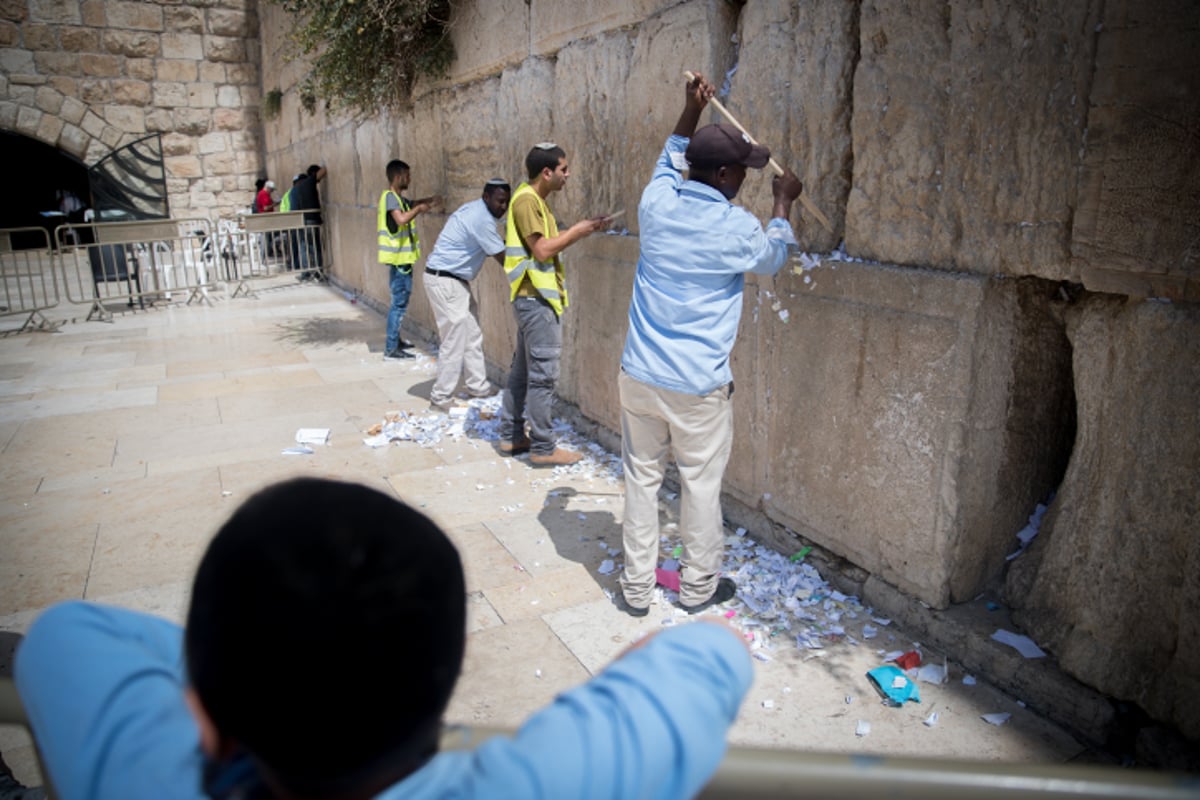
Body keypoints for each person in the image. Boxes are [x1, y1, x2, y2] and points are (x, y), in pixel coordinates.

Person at [14, 477, 753, 799]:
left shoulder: (137, 774)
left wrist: (243, 674)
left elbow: (67, 635)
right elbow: (713, 652)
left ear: (206, 719)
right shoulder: (542, 784)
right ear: (451, 666)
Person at [617, 72, 804, 617]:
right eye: (742, 172)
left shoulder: (655, 203)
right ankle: (697, 589)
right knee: (698, 489)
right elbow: (773, 259)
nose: (745, 180)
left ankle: (634, 590)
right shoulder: (737, 229)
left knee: (640, 481)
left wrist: (689, 108)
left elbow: (670, 153)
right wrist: (782, 204)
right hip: (697, 386)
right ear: (723, 174)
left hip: (640, 375)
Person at [497, 143, 611, 465]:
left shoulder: (533, 201)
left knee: (521, 373)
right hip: (536, 302)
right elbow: (543, 250)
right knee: (542, 377)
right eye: (563, 169)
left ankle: (511, 435)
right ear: (546, 173)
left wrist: (584, 228)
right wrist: (578, 231)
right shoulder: (527, 201)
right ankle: (543, 447)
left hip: (531, 299)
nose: (568, 174)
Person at [423, 179, 511, 411]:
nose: (504, 207)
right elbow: (504, 259)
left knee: (472, 334)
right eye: (500, 201)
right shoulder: (481, 219)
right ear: (486, 197)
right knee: (454, 340)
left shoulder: (476, 210)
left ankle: (478, 388)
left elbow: (497, 245)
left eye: (507, 203)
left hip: (453, 281)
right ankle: (440, 397)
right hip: (446, 281)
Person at [379, 159, 442, 360]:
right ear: (398, 177)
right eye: (407, 175)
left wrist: (429, 201)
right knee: (398, 304)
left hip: (402, 260)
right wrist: (419, 210)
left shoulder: (397, 199)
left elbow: (411, 204)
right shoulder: (390, 198)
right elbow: (402, 219)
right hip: (399, 262)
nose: (410, 179)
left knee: (399, 303)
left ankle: (395, 341)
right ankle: (391, 348)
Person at [291, 164, 326, 278]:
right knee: (315, 247)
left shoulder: (298, 188)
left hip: (304, 220)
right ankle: (318, 271)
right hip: (312, 220)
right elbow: (323, 171)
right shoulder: (309, 182)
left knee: (304, 247)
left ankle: (306, 272)